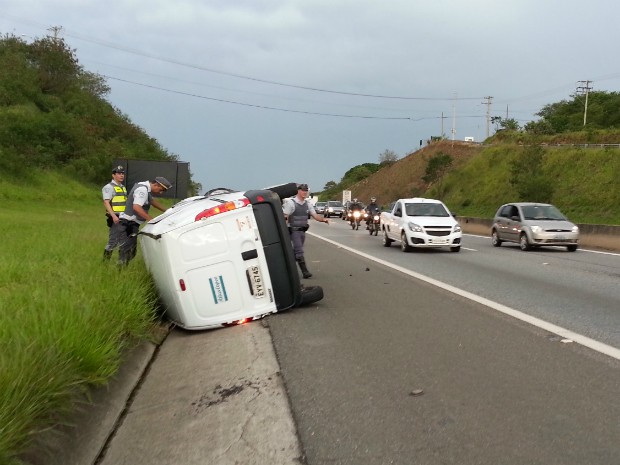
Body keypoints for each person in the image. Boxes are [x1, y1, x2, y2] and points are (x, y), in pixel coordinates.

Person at [118, 176, 172, 265]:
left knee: (131, 251)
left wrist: (169, 211)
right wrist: (152, 220)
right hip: (129, 223)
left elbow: (153, 202)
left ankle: (122, 268)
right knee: (128, 251)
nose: (160, 193)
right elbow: (136, 207)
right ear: (156, 184)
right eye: (160, 190)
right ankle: (120, 271)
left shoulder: (145, 188)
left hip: (132, 224)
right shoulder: (142, 190)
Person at [282, 183, 328, 278]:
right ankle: (305, 272)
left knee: (296, 252)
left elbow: (315, 216)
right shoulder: (291, 203)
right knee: (299, 250)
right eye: (302, 190)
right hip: (294, 231)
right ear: (298, 191)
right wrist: (284, 231)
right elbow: (285, 217)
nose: (304, 192)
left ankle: (287, 269)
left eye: (306, 191)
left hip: (302, 231)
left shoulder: (308, 204)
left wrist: (323, 220)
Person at [102, 165, 128, 260]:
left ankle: (121, 261)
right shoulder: (109, 187)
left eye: (122, 173)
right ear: (113, 175)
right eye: (119, 173)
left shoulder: (122, 187)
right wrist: (113, 216)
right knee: (113, 241)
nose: (121, 175)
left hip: (123, 217)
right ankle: (105, 263)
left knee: (123, 240)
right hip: (116, 218)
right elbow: (106, 202)